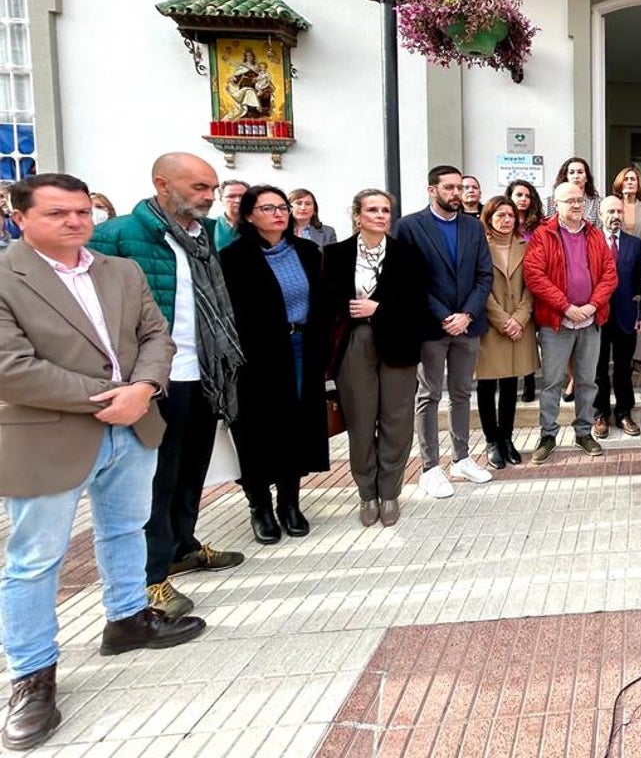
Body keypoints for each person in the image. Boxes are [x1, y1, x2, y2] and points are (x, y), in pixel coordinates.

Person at [0, 174, 204, 751]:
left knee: (125, 528)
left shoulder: (119, 271)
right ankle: (33, 676)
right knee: (35, 559)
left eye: (82, 212)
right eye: (58, 213)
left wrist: (142, 388)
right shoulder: (6, 276)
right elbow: (9, 367)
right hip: (51, 433)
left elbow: (156, 336)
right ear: (20, 217)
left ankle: (127, 618)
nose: (75, 222)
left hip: (134, 425)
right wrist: (110, 394)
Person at [90, 153, 245, 620]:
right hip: (152, 380)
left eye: (212, 188)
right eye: (199, 187)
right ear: (163, 184)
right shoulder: (117, 236)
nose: (209, 196)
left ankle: (183, 545)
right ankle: (150, 579)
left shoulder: (203, 237)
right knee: (155, 481)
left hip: (203, 372)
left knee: (190, 470)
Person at [220, 185, 328, 542]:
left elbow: (322, 303)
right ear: (249, 215)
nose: (278, 213)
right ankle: (260, 506)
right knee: (256, 431)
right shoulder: (234, 258)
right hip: (257, 357)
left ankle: (290, 503)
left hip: (301, 350)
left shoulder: (308, 252)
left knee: (295, 426)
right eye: (267, 208)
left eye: (282, 207)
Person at [322, 189, 427, 527]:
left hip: (398, 343)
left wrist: (379, 308)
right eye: (372, 210)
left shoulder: (407, 254)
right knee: (361, 422)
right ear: (357, 216)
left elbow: (418, 305)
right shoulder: (335, 254)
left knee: (397, 421)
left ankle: (390, 491)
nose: (381, 216)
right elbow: (325, 306)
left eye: (385, 210)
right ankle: (367, 493)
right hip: (354, 342)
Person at [393, 165, 495, 497]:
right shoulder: (409, 226)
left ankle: (461, 458)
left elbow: (484, 275)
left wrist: (466, 314)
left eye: (459, 187)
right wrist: (444, 315)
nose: (455, 193)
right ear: (432, 190)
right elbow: (409, 279)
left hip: (468, 325)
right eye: (448, 187)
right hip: (430, 326)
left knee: (463, 393)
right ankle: (430, 467)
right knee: (429, 395)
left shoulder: (472, 226)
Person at [524, 182, 618, 464]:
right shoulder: (543, 234)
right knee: (552, 382)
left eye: (580, 200)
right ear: (557, 204)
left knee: (587, 382)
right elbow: (535, 275)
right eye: (570, 201)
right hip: (557, 322)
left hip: (590, 321)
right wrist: (566, 306)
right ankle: (548, 435)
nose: (576, 205)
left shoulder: (595, 234)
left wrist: (591, 305)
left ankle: (583, 432)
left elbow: (609, 275)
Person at [475, 195, 538, 468]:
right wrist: (503, 320)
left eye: (510, 215)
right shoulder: (480, 247)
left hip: (520, 324)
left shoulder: (527, 246)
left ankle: (507, 438)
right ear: (489, 218)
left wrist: (520, 319)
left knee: (512, 383)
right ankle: (492, 440)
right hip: (491, 326)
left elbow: (533, 285)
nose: (506, 220)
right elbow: (479, 287)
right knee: (487, 385)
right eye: (500, 215)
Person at [593, 195, 641, 439]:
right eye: (610, 211)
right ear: (601, 215)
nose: (615, 216)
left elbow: (640, 283)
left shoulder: (635, 244)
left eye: (619, 212)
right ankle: (600, 414)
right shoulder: (590, 242)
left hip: (626, 316)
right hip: (597, 317)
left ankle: (624, 412)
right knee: (598, 368)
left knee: (623, 369)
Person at [506, 179, 543, 404]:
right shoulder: (504, 222)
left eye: (527, 196)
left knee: (530, 334)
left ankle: (530, 380)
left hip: (534, 285)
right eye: (518, 195)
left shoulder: (537, 225)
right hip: (510, 285)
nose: (523, 199)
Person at [552, 157, 601, 227]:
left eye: (580, 172)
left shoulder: (598, 202)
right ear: (566, 177)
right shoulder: (553, 201)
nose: (576, 176)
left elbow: (600, 229)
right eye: (572, 172)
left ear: (587, 178)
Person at [612, 166, 641, 239]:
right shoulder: (611, 206)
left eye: (633, 179)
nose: (629, 182)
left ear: (638, 184)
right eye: (625, 179)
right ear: (619, 183)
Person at [212, 179, 248, 250]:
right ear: (221, 200)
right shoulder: (210, 225)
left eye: (242, 196)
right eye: (231, 196)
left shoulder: (260, 225)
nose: (238, 200)